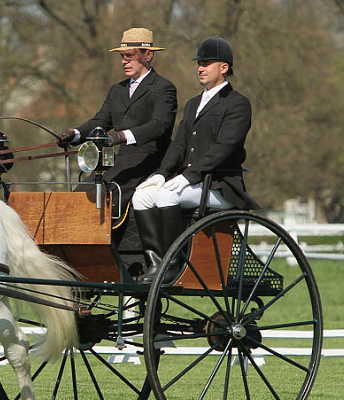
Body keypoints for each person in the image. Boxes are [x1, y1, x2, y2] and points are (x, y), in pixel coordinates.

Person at [132, 36, 261, 284]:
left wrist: (186, 177)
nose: (200, 68)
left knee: (167, 196)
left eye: (207, 63)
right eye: (199, 63)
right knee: (142, 196)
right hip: (192, 186)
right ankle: (155, 263)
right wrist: (161, 174)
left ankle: (174, 263)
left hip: (220, 187)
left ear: (224, 68)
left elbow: (223, 148)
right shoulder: (193, 104)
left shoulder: (238, 104)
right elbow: (179, 145)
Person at [57, 27, 178, 210]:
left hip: (150, 161)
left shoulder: (163, 88)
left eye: (129, 56)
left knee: (107, 201)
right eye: (122, 56)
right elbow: (100, 122)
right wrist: (73, 134)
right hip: (119, 161)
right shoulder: (117, 90)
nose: (124, 62)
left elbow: (159, 125)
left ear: (148, 55)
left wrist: (121, 136)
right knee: (78, 199)